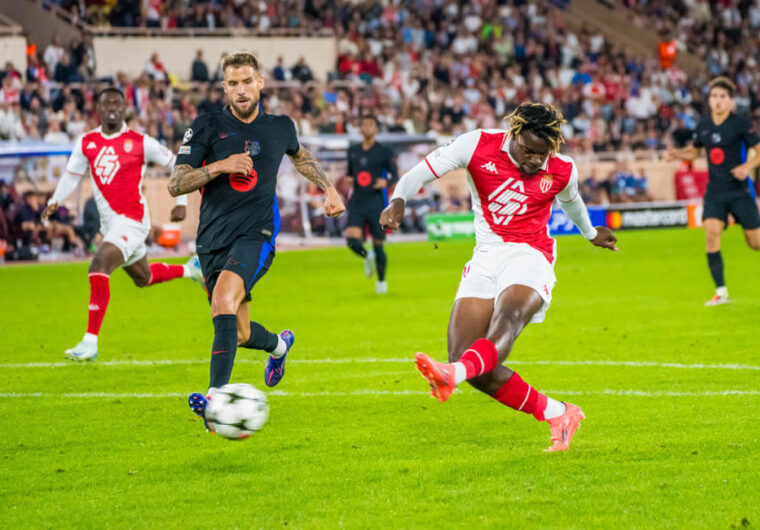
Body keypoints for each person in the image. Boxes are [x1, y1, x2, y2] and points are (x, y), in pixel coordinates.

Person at [379, 102, 618, 451]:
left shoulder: (563, 169)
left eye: (543, 154)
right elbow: (421, 171)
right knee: (466, 355)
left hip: (531, 254)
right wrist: (398, 199)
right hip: (487, 254)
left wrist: (589, 233)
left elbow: (573, 203)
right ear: (514, 134)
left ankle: (453, 375)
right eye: (530, 151)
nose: (536, 161)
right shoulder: (476, 144)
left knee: (508, 319)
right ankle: (559, 412)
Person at [167, 51, 345, 429]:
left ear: (261, 82)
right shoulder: (206, 126)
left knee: (223, 301)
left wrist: (328, 188)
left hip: (257, 233)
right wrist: (219, 165)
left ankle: (215, 399)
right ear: (224, 88)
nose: (241, 90)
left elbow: (300, 156)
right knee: (240, 330)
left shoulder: (280, 126)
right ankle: (279, 346)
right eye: (233, 83)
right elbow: (175, 183)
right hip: (212, 239)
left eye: (247, 81)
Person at [43, 87, 202, 361]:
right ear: (99, 109)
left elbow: (180, 163)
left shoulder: (141, 142)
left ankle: (90, 342)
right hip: (112, 224)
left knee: (99, 265)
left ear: (125, 107)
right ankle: (191, 269)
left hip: (133, 220)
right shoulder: (86, 142)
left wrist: (181, 202)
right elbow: (71, 175)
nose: (112, 108)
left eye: (118, 103)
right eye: (107, 104)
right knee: (144, 277)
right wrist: (55, 199)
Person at [666, 77, 760, 306]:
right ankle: (721, 291)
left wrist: (747, 167)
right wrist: (676, 154)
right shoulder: (704, 126)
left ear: (730, 101)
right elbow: (694, 153)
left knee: (756, 244)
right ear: (709, 100)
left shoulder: (741, 124)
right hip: (715, 192)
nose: (717, 101)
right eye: (714, 96)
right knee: (711, 235)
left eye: (722, 97)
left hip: (739, 191)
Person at [344, 115, 398, 294]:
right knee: (352, 240)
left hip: (376, 201)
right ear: (360, 128)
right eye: (364, 124)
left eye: (370, 125)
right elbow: (350, 174)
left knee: (378, 243)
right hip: (358, 200)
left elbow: (395, 175)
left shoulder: (384, 151)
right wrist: (348, 180)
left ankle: (381, 282)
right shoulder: (353, 151)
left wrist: (386, 181)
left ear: (376, 129)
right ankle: (368, 257)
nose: (367, 128)